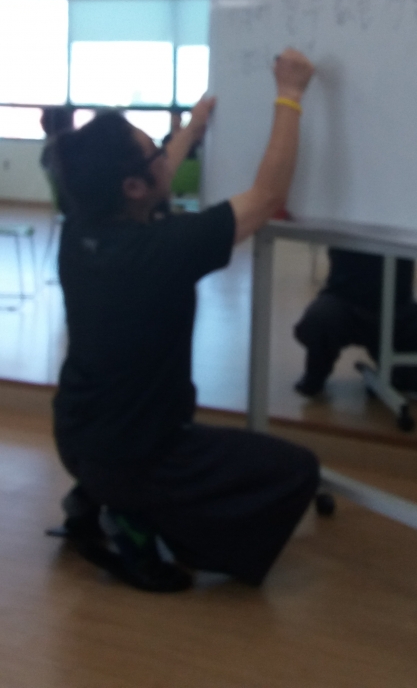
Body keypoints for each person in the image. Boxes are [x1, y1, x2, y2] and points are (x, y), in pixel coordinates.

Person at [50, 48, 320, 592]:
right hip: (140, 455)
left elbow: (156, 174)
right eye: (155, 150)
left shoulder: (79, 231)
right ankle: (138, 520)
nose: (164, 157)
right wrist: (289, 94)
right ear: (132, 187)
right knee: (295, 470)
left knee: (141, 449)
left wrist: (193, 128)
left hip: (76, 437)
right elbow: (266, 197)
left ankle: (99, 494)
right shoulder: (162, 249)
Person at [293, 249, 417, 399]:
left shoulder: (409, 220)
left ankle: (401, 380)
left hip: (398, 311)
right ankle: (314, 377)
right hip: (344, 302)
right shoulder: (347, 216)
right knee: (320, 318)